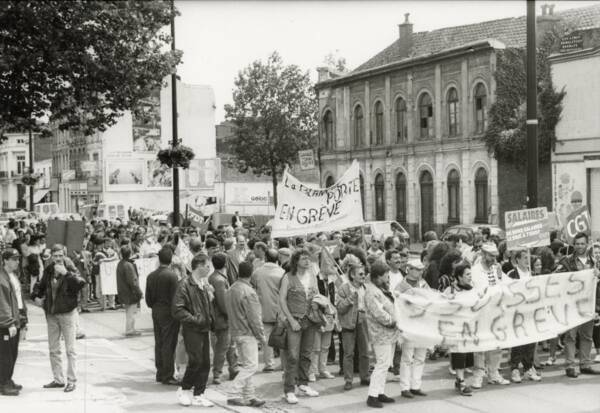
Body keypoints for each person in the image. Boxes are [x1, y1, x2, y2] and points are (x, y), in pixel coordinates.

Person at [33, 244, 86, 393]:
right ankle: (58, 379)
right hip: (51, 314)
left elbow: (81, 283)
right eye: (55, 255)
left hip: (67, 313)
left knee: (71, 349)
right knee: (53, 349)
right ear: (51, 256)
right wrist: (36, 296)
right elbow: (40, 285)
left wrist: (66, 274)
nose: (57, 258)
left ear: (64, 255)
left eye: (60, 255)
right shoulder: (49, 270)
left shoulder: (70, 268)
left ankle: (72, 380)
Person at [172, 253, 215, 407]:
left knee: (205, 362)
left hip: (204, 327)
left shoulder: (203, 283)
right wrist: (195, 319)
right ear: (199, 266)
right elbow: (177, 309)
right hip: (193, 328)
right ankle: (184, 389)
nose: (209, 268)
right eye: (207, 266)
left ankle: (199, 393)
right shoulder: (185, 284)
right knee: (196, 361)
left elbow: (206, 306)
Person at [556, 232, 600, 377]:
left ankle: (585, 364)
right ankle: (570, 366)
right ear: (573, 245)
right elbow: (557, 279)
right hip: (572, 305)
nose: (580, 246)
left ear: (587, 244)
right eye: (577, 243)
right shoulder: (566, 261)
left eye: (582, 243)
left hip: (588, 304)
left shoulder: (594, 261)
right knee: (571, 336)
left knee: (587, 336)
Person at [279, 248, 320, 404]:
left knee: (306, 354)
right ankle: (289, 390)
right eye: (303, 258)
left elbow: (317, 295)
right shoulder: (288, 277)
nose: (307, 261)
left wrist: (317, 304)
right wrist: (291, 320)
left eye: (308, 258)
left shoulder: (312, 276)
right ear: (296, 261)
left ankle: (303, 384)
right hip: (295, 321)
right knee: (292, 356)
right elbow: (282, 300)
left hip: (310, 320)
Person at [225, 261, 267, 407]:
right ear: (252, 273)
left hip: (235, 331)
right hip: (247, 332)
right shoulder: (249, 292)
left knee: (246, 366)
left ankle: (249, 395)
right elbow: (254, 318)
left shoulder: (231, 289)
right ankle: (234, 393)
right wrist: (261, 336)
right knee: (251, 366)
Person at [470, 243, 509, 388]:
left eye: (495, 256)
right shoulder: (475, 270)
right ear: (483, 254)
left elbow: (505, 285)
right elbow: (478, 290)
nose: (494, 259)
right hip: (482, 313)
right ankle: (478, 375)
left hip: (496, 311)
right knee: (480, 345)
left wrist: (500, 276)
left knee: (496, 344)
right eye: (491, 256)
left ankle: (494, 373)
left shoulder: (496, 268)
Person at [365, 261, 399, 408]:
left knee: (385, 364)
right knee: (382, 364)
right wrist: (392, 321)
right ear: (378, 276)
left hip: (388, 333)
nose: (387, 278)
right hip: (381, 333)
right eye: (385, 275)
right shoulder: (372, 292)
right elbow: (379, 313)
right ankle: (372, 395)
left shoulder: (378, 288)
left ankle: (380, 392)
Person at [145, 246, 181, 386]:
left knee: (159, 342)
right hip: (169, 312)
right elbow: (176, 298)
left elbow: (148, 299)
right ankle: (167, 374)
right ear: (171, 259)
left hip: (156, 310)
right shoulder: (172, 276)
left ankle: (160, 372)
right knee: (168, 344)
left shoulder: (151, 276)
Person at [507, 249, 542, 383]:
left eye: (528, 257)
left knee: (531, 341)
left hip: (531, 312)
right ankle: (515, 369)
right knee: (518, 341)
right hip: (517, 312)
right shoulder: (512, 274)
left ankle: (528, 368)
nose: (527, 260)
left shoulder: (533, 274)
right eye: (523, 258)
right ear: (517, 260)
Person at [336, 255, 370, 391]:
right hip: (348, 323)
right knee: (348, 353)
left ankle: (365, 376)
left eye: (364, 273)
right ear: (352, 275)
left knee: (365, 351)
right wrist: (349, 300)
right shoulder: (344, 289)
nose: (363, 276)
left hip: (363, 320)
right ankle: (348, 380)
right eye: (361, 274)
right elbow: (339, 308)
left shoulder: (366, 288)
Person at [396, 259, 429, 398]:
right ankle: (405, 387)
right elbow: (398, 305)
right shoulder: (401, 286)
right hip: (408, 325)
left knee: (420, 356)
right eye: (417, 269)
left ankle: (416, 385)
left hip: (422, 324)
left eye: (421, 269)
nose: (420, 272)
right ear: (409, 269)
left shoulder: (423, 284)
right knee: (407, 357)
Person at [443, 263, 474, 396]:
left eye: (470, 274)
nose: (470, 277)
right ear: (459, 277)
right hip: (455, 329)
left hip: (469, 328)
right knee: (459, 354)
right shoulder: (449, 291)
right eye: (467, 274)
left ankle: (458, 380)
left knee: (466, 356)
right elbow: (441, 307)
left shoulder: (472, 289)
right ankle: (461, 382)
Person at [251, 248, 285, 372]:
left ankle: (269, 364)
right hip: (280, 310)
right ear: (277, 259)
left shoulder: (257, 272)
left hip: (263, 309)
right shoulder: (282, 272)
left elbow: (253, 288)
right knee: (282, 337)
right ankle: (284, 363)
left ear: (265, 257)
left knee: (266, 339)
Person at [0, 248, 28, 396]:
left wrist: (23, 319)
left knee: (13, 353)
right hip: (6, 324)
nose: (17, 261)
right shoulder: (1, 278)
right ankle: (3, 383)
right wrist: (9, 322)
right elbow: (2, 303)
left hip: (15, 320)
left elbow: (19, 299)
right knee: (5, 355)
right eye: (14, 259)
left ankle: (7, 379)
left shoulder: (13, 276)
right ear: (5, 260)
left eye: (18, 259)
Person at [209, 252, 238, 384]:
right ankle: (218, 373)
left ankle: (233, 368)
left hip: (219, 317)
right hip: (221, 318)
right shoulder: (219, 280)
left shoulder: (214, 277)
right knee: (223, 346)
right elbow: (223, 303)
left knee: (230, 345)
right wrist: (231, 315)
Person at [116, 245, 143, 337]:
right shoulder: (128, 265)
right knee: (131, 312)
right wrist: (139, 292)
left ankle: (130, 328)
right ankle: (130, 329)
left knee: (129, 311)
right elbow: (133, 281)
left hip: (123, 290)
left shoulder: (120, 263)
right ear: (130, 253)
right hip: (130, 292)